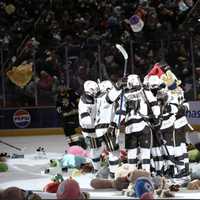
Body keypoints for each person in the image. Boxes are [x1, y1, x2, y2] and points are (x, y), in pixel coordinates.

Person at [123, 74, 160, 173]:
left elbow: (154, 105)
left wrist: (155, 116)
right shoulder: (141, 91)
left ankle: (137, 174)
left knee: (137, 152)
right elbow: (154, 105)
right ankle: (141, 173)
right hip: (136, 126)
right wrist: (156, 116)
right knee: (141, 152)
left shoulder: (125, 93)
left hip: (136, 126)